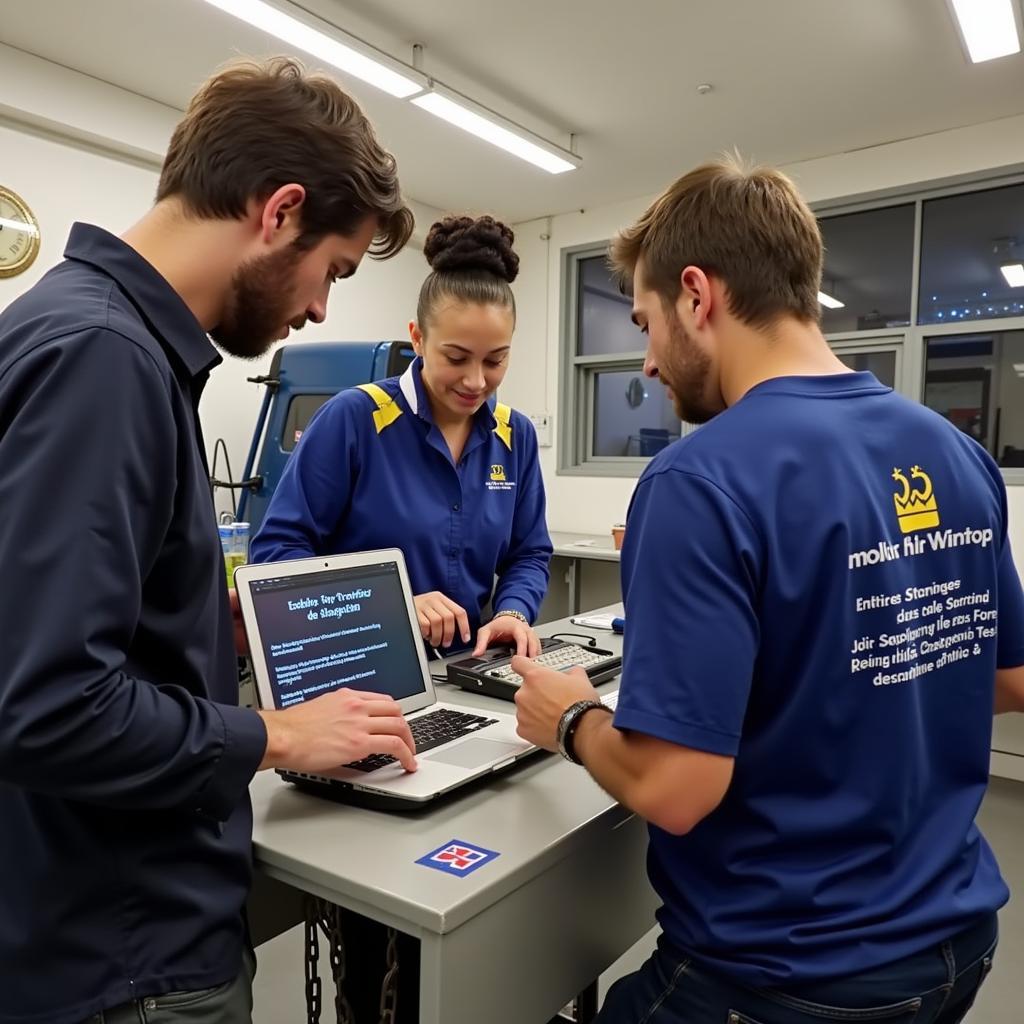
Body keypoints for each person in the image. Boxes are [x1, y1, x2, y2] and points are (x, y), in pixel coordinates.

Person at [513, 155, 1024, 1023]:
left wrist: (568, 717)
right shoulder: (955, 453)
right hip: (956, 945)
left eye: (645, 323)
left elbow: (677, 790)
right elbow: (1008, 677)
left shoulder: (699, 481)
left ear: (697, 296)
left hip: (784, 977)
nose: (645, 363)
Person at [0, 57, 419, 1024]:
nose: (319, 308)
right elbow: (47, 707)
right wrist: (275, 735)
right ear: (279, 213)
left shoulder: (88, 333)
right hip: (125, 955)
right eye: (332, 272)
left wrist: (196, 608)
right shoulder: (104, 363)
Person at [251, 214, 553, 658]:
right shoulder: (354, 419)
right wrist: (389, 604)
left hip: (461, 668)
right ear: (417, 338)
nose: (475, 381)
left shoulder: (515, 435)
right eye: (456, 357)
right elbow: (277, 554)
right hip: (362, 663)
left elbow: (529, 553)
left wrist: (513, 612)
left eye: (495, 361)